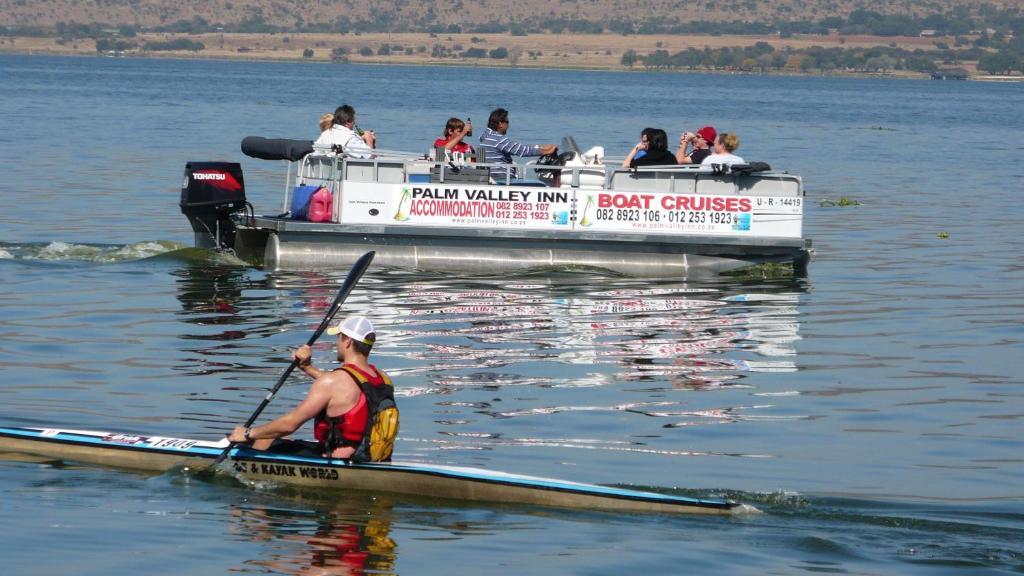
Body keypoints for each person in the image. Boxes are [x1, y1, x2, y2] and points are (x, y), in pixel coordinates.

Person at [228, 315, 398, 461]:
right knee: (281, 436)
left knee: (268, 436)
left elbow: (290, 424)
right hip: (371, 456)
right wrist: (307, 367)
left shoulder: (333, 382)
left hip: (335, 460)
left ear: (348, 341)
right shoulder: (382, 378)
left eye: (338, 337)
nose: (336, 344)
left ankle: (252, 486)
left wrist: (248, 433)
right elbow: (347, 389)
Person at [478, 107, 557, 180]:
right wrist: (547, 151)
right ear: (500, 124)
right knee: (540, 185)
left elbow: (519, 147)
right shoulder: (498, 139)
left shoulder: (486, 138)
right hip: (503, 178)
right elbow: (522, 151)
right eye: (507, 122)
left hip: (493, 177)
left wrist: (542, 147)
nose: (508, 125)